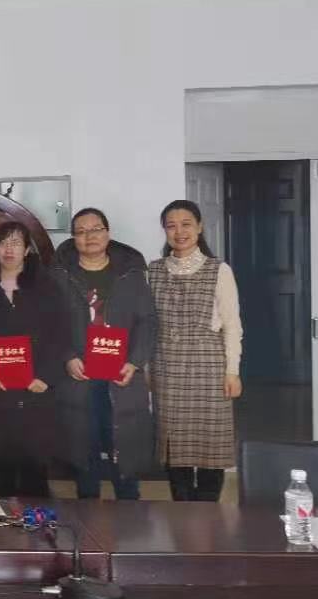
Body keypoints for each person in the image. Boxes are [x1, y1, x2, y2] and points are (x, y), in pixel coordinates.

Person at [54, 207, 158, 500]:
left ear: (108, 233)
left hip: (120, 375)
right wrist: (67, 356)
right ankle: (86, 508)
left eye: (96, 229)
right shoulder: (59, 276)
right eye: (81, 231)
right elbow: (49, 323)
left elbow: (148, 321)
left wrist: (134, 362)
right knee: (83, 445)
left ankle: (129, 505)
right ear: (73, 238)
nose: (89, 236)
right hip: (79, 375)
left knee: (123, 444)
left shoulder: (131, 274)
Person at [148, 200, 244, 502]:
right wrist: (147, 370)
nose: (179, 232)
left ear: (200, 227)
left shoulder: (219, 270)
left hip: (209, 369)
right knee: (173, 448)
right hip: (167, 369)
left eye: (186, 224)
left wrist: (233, 372)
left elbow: (232, 326)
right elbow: (147, 325)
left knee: (209, 447)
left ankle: (208, 512)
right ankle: (182, 511)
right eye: (171, 226)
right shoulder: (153, 271)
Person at [0, 221, 65, 498]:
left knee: (35, 466)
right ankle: (1, 522)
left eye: (16, 243)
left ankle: (38, 521)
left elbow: (60, 334)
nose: (9, 249)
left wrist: (45, 375)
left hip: (35, 387)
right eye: (3, 243)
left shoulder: (46, 285)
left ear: (27, 249)